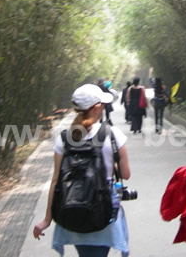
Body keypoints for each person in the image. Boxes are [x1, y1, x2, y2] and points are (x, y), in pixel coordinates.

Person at [33, 84, 131, 257]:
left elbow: (56, 181)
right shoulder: (112, 134)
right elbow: (126, 175)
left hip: (73, 210)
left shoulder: (64, 139)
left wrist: (47, 220)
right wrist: (111, 165)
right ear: (96, 108)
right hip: (103, 211)